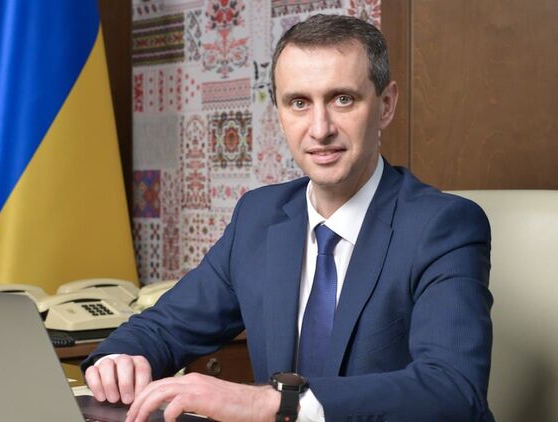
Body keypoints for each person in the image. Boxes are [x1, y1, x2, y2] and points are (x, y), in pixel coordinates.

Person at [82, 14, 494, 422]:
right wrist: (120, 360)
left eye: (342, 99)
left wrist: (273, 402)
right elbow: (164, 327)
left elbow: (453, 389)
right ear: (279, 111)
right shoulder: (258, 217)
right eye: (299, 103)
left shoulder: (443, 227)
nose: (320, 128)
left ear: (385, 105)